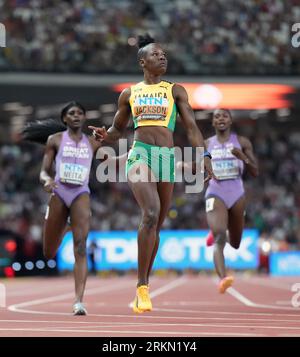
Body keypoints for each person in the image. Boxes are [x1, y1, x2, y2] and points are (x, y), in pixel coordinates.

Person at [89, 34, 214, 313]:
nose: (162, 57)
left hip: (167, 157)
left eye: (164, 54)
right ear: (142, 61)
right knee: (150, 213)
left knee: (156, 226)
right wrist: (104, 135)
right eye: (156, 54)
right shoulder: (130, 93)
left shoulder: (175, 90)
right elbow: (117, 129)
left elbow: (192, 128)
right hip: (140, 153)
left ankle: (144, 285)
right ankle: (142, 287)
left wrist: (204, 155)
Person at [23, 102, 102, 315]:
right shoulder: (55, 140)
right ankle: (66, 226)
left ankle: (78, 301)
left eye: (80, 113)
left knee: (80, 247)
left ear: (85, 118)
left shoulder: (92, 143)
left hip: (80, 194)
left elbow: (109, 159)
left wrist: (126, 152)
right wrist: (47, 181)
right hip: (59, 192)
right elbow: (43, 172)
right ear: (64, 119)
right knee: (48, 253)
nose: (76, 116)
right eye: (71, 113)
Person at [204, 109, 259, 293]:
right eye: (217, 117)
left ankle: (218, 233)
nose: (221, 119)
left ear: (230, 121)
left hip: (236, 194)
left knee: (235, 243)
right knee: (220, 236)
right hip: (215, 193)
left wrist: (242, 157)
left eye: (224, 116)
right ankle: (223, 278)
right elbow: (197, 166)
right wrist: (185, 167)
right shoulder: (206, 144)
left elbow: (255, 172)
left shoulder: (242, 142)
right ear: (212, 122)